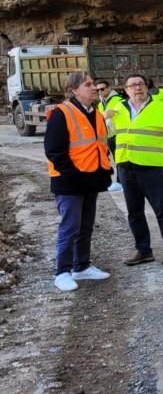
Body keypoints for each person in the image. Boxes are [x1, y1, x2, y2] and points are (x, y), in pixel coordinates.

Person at [44, 72, 112, 291]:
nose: (94, 88)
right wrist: (75, 176)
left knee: (85, 226)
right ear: (74, 90)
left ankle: (81, 266)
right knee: (70, 227)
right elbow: (54, 151)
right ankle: (61, 272)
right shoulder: (61, 113)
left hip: (91, 180)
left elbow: (100, 147)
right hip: (70, 183)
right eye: (88, 84)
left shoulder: (97, 114)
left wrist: (103, 173)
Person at [109, 73, 163, 266]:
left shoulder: (161, 108)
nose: (137, 88)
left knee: (162, 210)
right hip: (126, 167)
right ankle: (143, 250)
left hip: (153, 168)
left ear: (146, 86)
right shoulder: (117, 109)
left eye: (140, 84)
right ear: (126, 90)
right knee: (134, 212)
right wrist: (103, 118)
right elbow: (105, 133)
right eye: (132, 85)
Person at [96, 80, 125, 192]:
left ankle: (121, 182)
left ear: (109, 88)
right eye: (97, 90)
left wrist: (100, 117)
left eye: (102, 89)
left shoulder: (117, 100)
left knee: (120, 159)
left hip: (119, 134)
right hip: (110, 135)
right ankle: (120, 181)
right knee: (117, 160)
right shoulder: (101, 103)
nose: (100, 91)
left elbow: (109, 115)